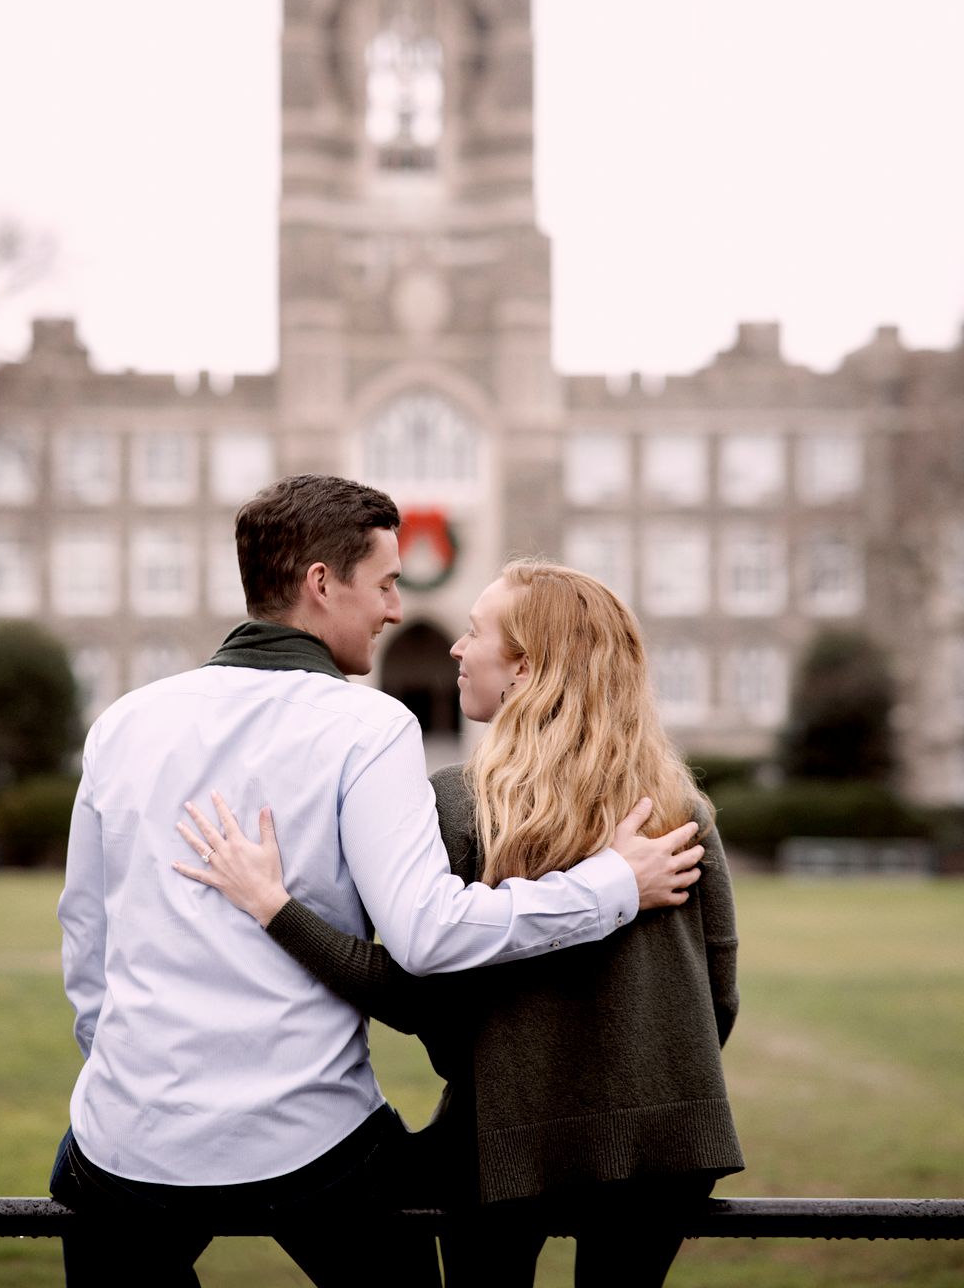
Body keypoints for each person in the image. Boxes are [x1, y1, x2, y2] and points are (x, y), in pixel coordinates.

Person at [51, 476, 705, 1288]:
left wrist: (132, 1072)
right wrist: (610, 883)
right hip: (310, 1141)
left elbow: (86, 936)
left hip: (128, 1140)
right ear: (322, 585)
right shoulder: (369, 723)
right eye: (388, 584)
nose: (397, 609)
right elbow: (429, 936)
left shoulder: (122, 722)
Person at [176, 558, 744, 1288]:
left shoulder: (462, 806)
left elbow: (416, 997)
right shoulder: (679, 811)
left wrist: (275, 909)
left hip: (498, 1148)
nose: (454, 647)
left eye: (474, 633)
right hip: (667, 1144)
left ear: (526, 669)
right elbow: (718, 997)